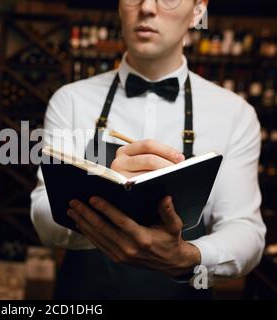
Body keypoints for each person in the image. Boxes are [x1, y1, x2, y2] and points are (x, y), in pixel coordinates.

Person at [30, 0, 266, 299]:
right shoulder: (70, 101)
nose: (147, 8)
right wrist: (104, 191)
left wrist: (188, 256)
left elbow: (246, 231)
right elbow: (43, 218)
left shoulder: (235, 114)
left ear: (198, 11)